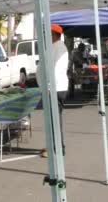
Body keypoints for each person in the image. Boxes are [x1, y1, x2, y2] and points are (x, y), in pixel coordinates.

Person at [40, 24, 69, 158]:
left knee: (55, 120)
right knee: (53, 119)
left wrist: (50, 87)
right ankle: (54, 146)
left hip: (57, 88)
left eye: (48, 33)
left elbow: (57, 69)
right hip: (55, 87)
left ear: (54, 34)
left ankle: (58, 148)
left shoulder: (60, 48)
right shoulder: (54, 47)